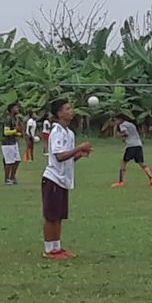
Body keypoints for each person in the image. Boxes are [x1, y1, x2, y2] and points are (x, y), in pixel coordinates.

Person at [42, 98, 92, 259]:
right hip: (53, 179)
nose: (71, 111)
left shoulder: (69, 133)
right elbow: (59, 156)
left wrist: (79, 154)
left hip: (63, 180)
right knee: (51, 217)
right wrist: (79, 148)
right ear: (59, 113)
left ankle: (57, 248)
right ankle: (49, 250)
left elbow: (68, 158)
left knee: (59, 216)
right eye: (67, 109)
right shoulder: (56, 131)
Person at [112, 114, 152, 187]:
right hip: (138, 145)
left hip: (131, 146)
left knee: (123, 163)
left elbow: (126, 133)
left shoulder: (122, 125)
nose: (115, 122)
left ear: (120, 119)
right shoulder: (131, 124)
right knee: (142, 163)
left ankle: (121, 182)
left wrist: (119, 135)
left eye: (115, 120)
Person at [1, 103, 24, 185]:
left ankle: (12, 177)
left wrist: (19, 134)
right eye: (16, 107)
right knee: (9, 162)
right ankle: (7, 179)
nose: (18, 109)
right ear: (11, 109)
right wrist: (16, 130)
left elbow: (13, 131)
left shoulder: (15, 119)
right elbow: (6, 132)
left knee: (17, 160)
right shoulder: (8, 119)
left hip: (13, 142)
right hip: (7, 143)